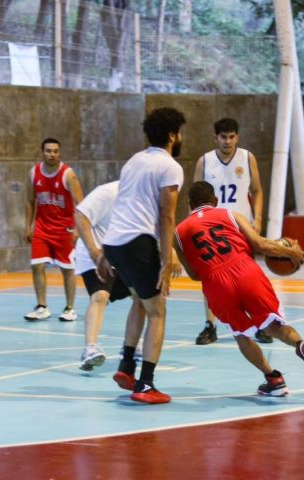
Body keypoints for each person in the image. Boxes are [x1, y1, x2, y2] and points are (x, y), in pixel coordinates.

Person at [174, 181, 304, 396]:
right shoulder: (229, 214)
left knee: (242, 336)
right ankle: (301, 344)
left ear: (190, 204)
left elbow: (193, 275)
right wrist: (289, 253)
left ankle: (273, 380)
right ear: (215, 201)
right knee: (273, 326)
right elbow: (260, 244)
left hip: (215, 282)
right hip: (246, 270)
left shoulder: (179, 232)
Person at [100, 107, 185, 404]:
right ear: (173, 135)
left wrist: (104, 252)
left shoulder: (134, 161)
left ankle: (126, 366)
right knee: (158, 310)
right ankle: (146, 385)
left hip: (115, 242)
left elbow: (121, 204)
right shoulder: (170, 166)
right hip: (137, 242)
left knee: (139, 299)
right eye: (180, 132)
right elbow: (167, 214)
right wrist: (166, 257)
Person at [192, 117, 270, 345]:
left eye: (232, 136)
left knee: (249, 278)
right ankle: (210, 325)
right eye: (223, 136)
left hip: (241, 226)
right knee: (210, 278)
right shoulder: (204, 161)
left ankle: (260, 323)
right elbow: (195, 196)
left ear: (238, 136)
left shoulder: (247, 158)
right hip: (212, 228)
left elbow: (257, 190)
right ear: (215, 137)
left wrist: (258, 218)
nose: (228, 141)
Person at [74, 180, 144, 371]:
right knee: (100, 296)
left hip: (119, 254)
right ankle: (89, 350)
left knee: (142, 297)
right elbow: (80, 216)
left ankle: (130, 345)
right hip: (93, 252)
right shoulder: (107, 192)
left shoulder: (144, 197)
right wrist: (94, 253)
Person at [24, 138, 84, 322]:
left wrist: (77, 228)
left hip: (64, 229)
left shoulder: (68, 174)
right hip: (42, 227)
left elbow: (81, 203)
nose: (52, 154)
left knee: (67, 269)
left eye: (56, 151)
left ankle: (70, 308)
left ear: (60, 153)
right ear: (42, 152)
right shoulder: (34, 173)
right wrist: (28, 226)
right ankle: (42, 306)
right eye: (49, 151)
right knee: (37, 265)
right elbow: (29, 201)